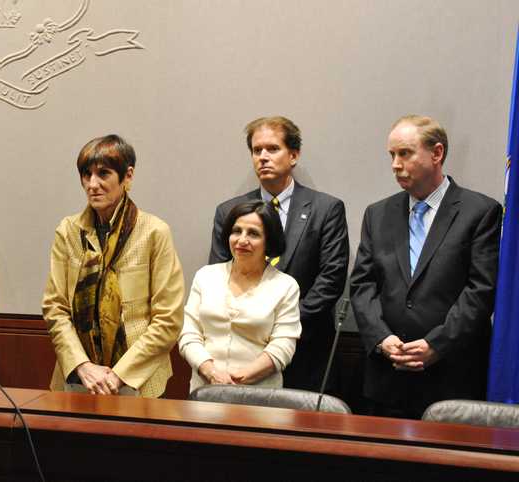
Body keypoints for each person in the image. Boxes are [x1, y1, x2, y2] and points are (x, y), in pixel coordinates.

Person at [350, 115, 502, 419]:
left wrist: (436, 344)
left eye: (405, 153)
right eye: (391, 155)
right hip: (387, 376)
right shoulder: (378, 214)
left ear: (437, 153)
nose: (395, 164)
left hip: (451, 375)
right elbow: (362, 285)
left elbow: (480, 290)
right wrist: (381, 338)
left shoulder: (480, 212)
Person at [209, 116, 348, 392]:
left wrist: (284, 324)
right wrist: (254, 322)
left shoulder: (326, 209)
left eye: (272, 149)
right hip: (241, 352)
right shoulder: (229, 212)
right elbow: (219, 274)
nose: (263, 157)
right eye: (256, 150)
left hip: (306, 348)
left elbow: (331, 278)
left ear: (293, 155)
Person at [43, 134, 184, 398]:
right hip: (79, 379)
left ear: (127, 176)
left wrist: (118, 375)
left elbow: (168, 319)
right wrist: (83, 367)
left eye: (103, 174)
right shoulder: (68, 231)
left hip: (140, 381)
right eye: (86, 175)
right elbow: (55, 308)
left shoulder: (154, 232)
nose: (92, 184)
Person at [181, 201, 301, 393]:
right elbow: (189, 335)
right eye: (236, 231)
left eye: (253, 233)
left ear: (269, 241)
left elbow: (283, 345)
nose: (242, 240)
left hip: (260, 396)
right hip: (205, 390)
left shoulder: (285, 286)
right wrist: (211, 372)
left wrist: (239, 379)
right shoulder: (205, 276)